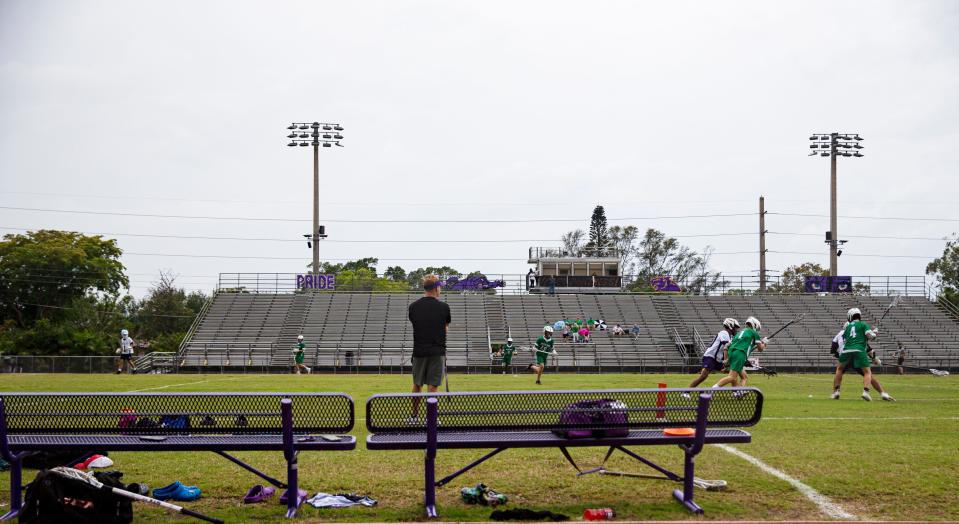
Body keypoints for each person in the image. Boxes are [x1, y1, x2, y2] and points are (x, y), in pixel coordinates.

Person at [407, 275, 452, 422]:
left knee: (417, 384)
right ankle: (431, 418)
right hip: (437, 351)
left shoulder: (413, 307)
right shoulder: (444, 307)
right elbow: (445, 329)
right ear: (436, 288)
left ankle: (414, 416)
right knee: (433, 386)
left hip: (419, 351)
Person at [830, 327, 894, 401]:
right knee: (868, 374)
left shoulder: (840, 333)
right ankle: (882, 393)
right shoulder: (857, 334)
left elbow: (832, 350)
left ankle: (836, 392)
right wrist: (875, 359)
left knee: (839, 371)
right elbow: (867, 348)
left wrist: (840, 357)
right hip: (856, 356)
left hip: (845, 356)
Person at [831, 308, 879, 401]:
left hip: (846, 352)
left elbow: (846, 340)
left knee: (839, 370)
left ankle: (836, 391)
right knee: (867, 372)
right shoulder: (863, 324)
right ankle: (866, 392)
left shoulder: (847, 328)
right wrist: (875, 333)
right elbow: (870, 337)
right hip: (858, 351)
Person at [713, 317, 766, 390]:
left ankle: (738, 392)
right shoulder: (754, 333)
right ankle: (712, 389)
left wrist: (726, 359)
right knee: (732, 377)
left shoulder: (739, 333)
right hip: (740, 354)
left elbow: (727, 346)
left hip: (732, 353)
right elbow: (760, 349)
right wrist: (764, 343)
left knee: (744, 377)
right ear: (754, 325)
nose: (757, 330)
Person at [687, 318, 739, 390]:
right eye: (735, 327)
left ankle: (736, 392)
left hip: (717, 358)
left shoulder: (729, 336)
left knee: (732, 373)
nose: (736, 329)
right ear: (730, 326)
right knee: (703, 376)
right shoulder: (723, 333)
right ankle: (686, 392)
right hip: (710, 356)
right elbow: (727, 346)